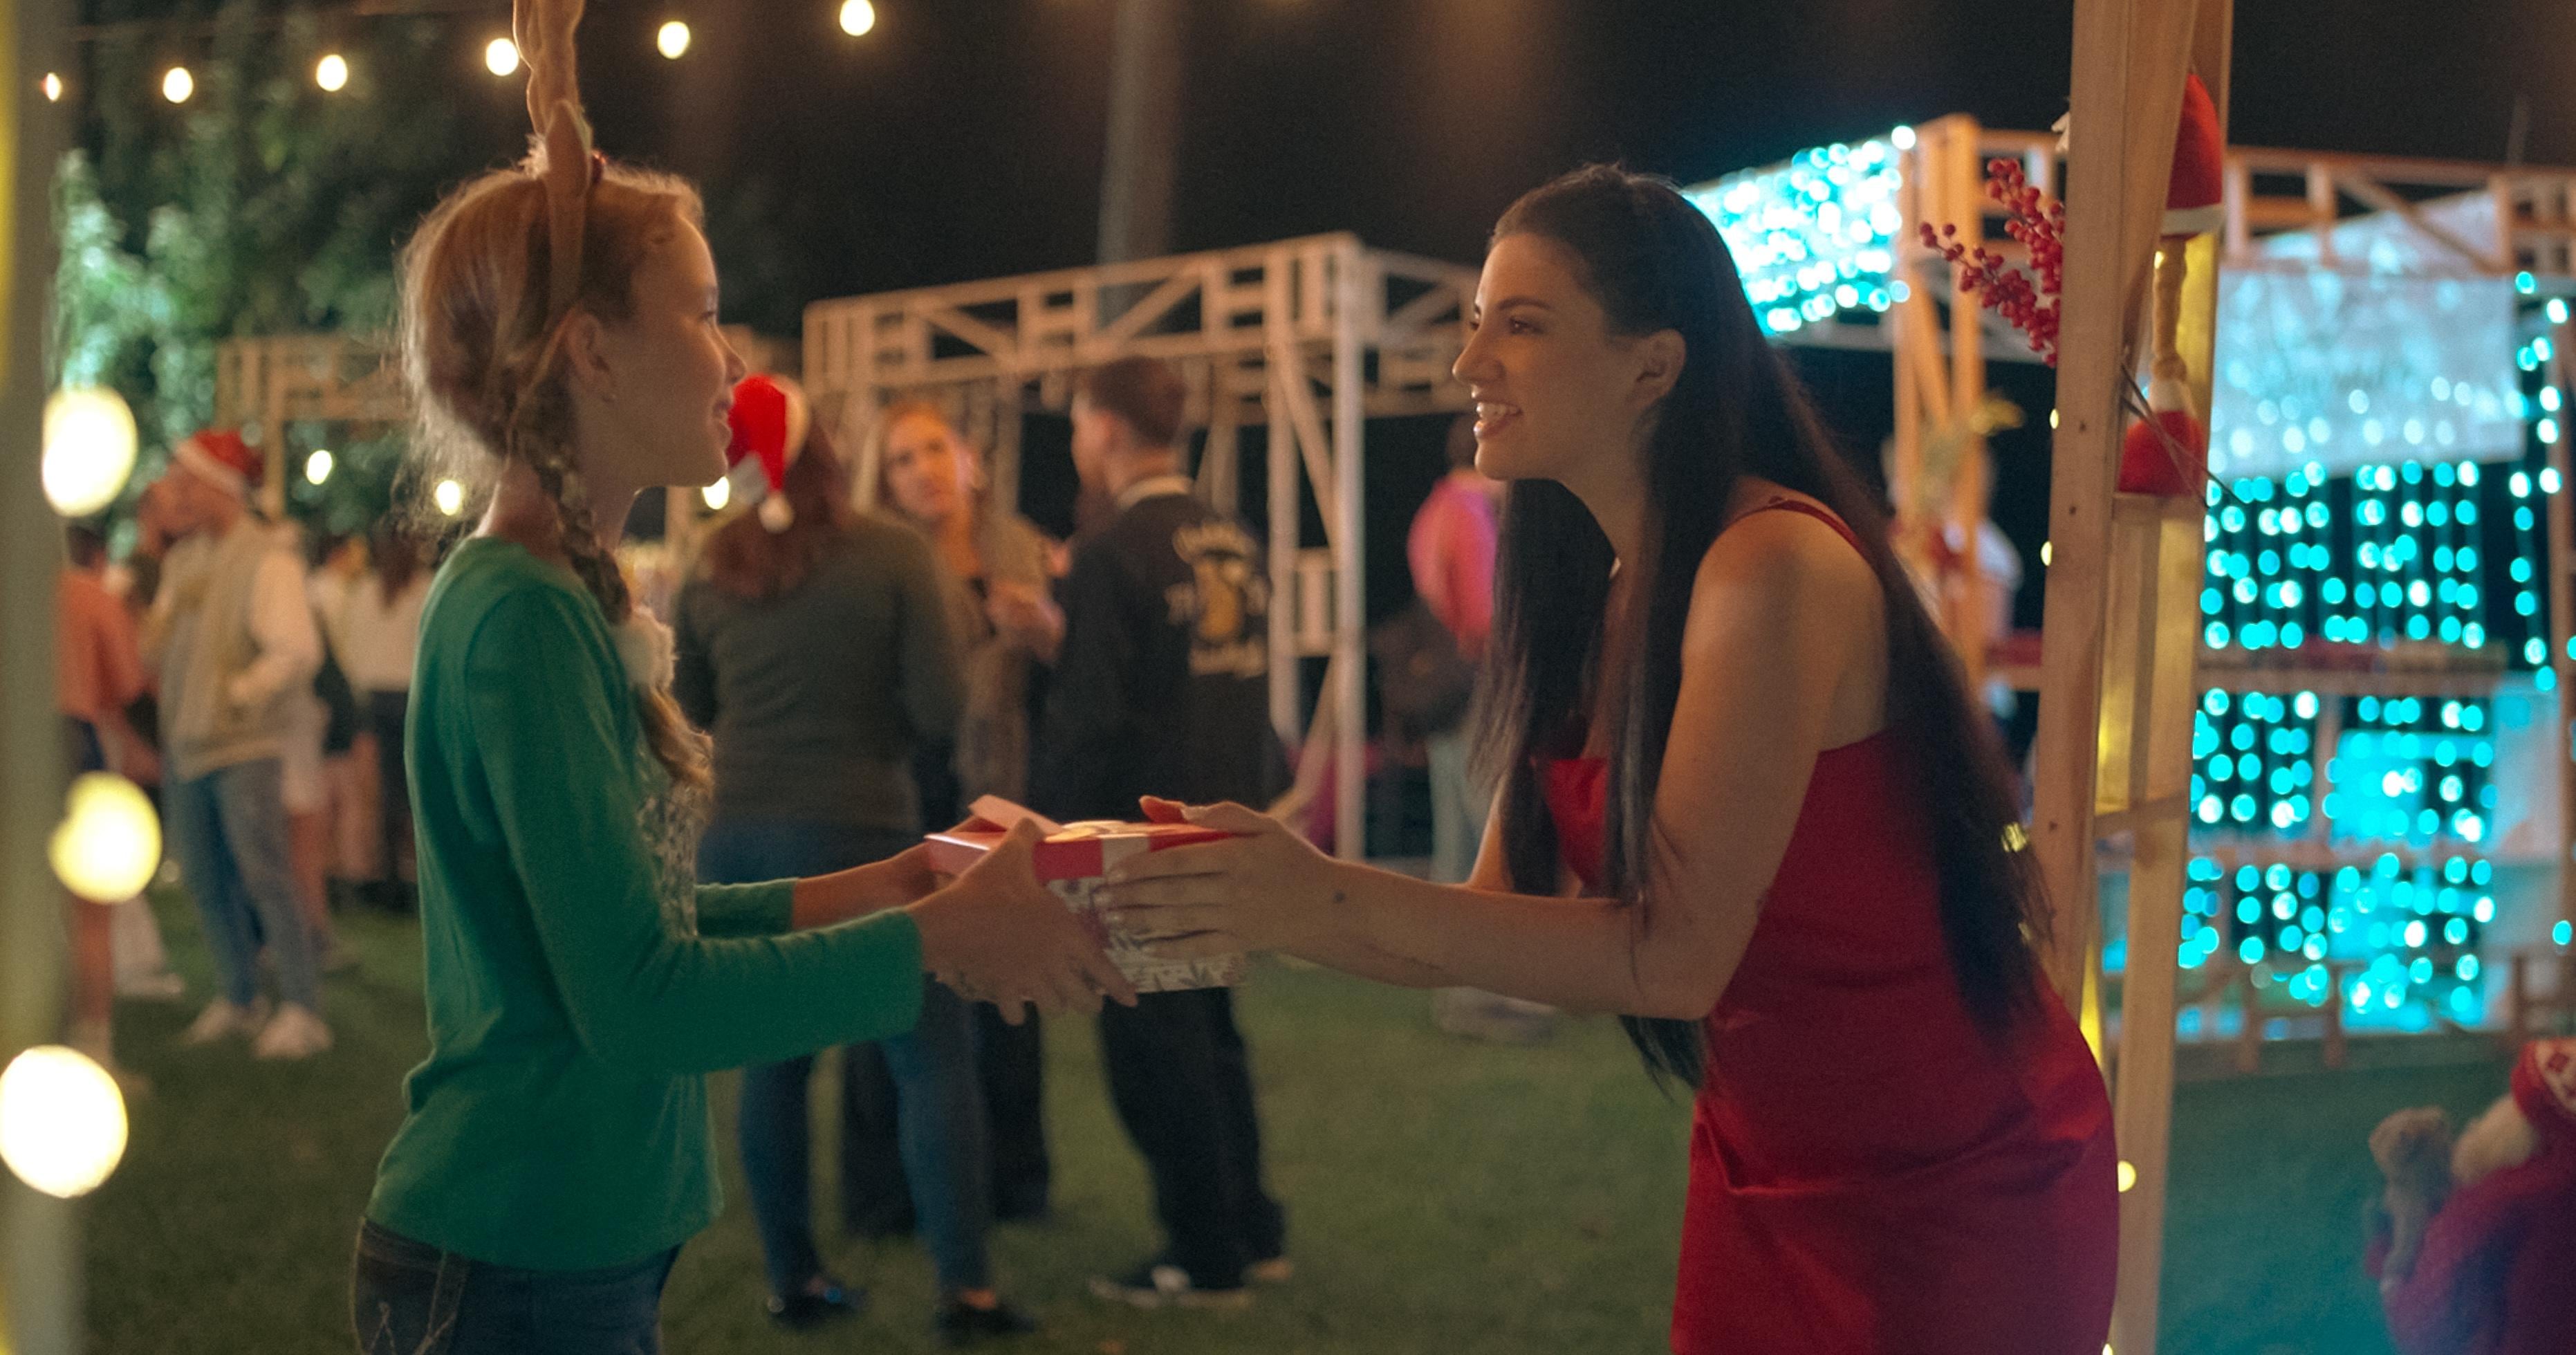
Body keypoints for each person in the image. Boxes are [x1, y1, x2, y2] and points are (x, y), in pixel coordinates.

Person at [1101, 166, 2118, 1353]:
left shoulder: (1770, 564)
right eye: (1479, 320)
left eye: (1521, 324)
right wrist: (1219, 892)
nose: (1472, 359)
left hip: (1960, 1181)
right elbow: (1491, 919)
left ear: (1654, 364)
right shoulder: (1593, 589)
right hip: (1766, 1167)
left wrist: (1309, 886)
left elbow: (1673, 954)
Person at [349, 11, 1129, 1351]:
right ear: (590, 349)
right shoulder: (518, 617)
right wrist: (938, 943)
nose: (735, 363)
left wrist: (904, 877)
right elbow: (641, 1004)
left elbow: (653, 923)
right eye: (705, 316)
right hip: (515, 1251)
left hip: (571, 1241)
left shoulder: (557, 598)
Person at [675, 373, 1037, 1343]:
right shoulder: (891, 553)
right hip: (864, 832)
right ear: (826, 446)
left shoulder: (710, 565)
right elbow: (938, 707)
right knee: (929, 1059)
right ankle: (965, 1287)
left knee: (774, 1068)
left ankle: (793, 1277)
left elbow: (695, 704)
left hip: (741, 839)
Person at [1031, 356, 1289, 1310]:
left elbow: (1093, 718)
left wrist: (1045, 837)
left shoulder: (1111, 549)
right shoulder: (1232, 533)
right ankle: (1252, 1225)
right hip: (1223, 819)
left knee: (1156, 1048)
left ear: (1103, 426)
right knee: (1213, 1031)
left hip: (1138, 834)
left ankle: (1201, 1248)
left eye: (1074, 424)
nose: (1074, 444)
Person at [855, 398, 1064, 1228]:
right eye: (902, 459)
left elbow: (1062, 685)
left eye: (934, 449)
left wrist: (1047, 631)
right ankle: (888, 1190)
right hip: (912, 784)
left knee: (1007, 980)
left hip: (999, 790)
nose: (923, 470)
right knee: (900, 984)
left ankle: (1015, 1181)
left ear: (969, 458)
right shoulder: (879, 560)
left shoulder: (1017, 545)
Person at [142, 428, 333, 1060]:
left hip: (243, 746)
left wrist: (243, 692)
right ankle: (240, 995)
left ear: (223, 487)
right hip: (187, 745)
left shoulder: (268, 559)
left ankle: (302, 1009)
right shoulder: (184, 560)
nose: (177, 493)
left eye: (187, 480)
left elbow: (297, 650)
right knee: (204, 876)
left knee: (264, 876)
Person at [1406, 414, 1554, 1044]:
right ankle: (1496, 994)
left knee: (1456, 850)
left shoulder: (1434, 510)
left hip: (1446, 700)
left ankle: (1460, 993)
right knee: (1494, 847)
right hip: (1482, 696)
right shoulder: (1472, 513)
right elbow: (1485, 616)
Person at [59, 522, 162, 1069]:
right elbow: (125, 683)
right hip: (72, 739)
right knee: (89, 909)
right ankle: (94, 1048)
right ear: (96, 554)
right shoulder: (89, 595)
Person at [340, 523, 430, 910]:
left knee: (380, 793)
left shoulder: (365, 591)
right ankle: (409, 881)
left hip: (373, 699)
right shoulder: (423, 590)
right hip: (409, 696)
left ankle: (387, 875)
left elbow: (350, 646)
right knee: (410, 791)